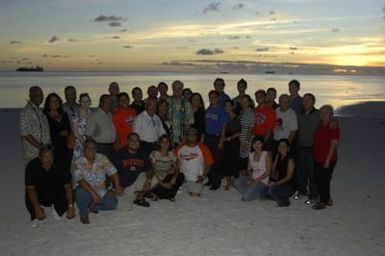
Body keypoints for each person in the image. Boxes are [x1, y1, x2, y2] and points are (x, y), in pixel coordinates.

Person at [72, 139, 122, 224]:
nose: (91, 150)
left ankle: (92, 206)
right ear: (84, 149)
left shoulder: (102, 158)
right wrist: (94, 194)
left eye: (93, 148)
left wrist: (117, 188)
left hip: (101, 190)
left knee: (113, 203)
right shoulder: (78, 162)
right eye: (88, 148)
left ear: (96, 149)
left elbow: (113, 172)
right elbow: (81, 181)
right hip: (86, 190)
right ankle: (84, 212)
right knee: (79, 192)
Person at [25, 145, 75, 227]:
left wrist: (70, 206)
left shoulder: (60, 163)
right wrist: (36, 207)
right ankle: (35, 215)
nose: (48, 159)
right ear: (40, 157)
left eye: (50, 156)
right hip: (40, 193)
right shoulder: (32, 165)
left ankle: (57, 209)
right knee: (28, 194)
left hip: (56, 192)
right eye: (45, 156)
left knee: (71, 194)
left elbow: (67, 185)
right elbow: (30, 188)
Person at [111, 133, 152, 209]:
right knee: (124, 209)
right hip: (123, 185)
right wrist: (117, 186)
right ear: (127, 141)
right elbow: (112, 172)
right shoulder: (119, 153)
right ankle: (128, 195)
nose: (134, 143)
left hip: (135, 181)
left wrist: (148, 180)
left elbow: (149, 168)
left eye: (137, 140)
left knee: (154, 178)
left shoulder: (142, 153)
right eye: (132, 140)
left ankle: (139, 196)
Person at [312, 105, 340, 210]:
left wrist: (328, 159)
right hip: (318, 157)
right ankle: (327, 198)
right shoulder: (321, 125)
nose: (323, 115)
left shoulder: (332, 126)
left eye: (326, 113)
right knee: (319, 179)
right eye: (322, 113)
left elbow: (334, 144)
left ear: (331, 115)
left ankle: (323, 201)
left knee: (323, 180)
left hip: (328, 159)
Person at [175, 128, 214, 196]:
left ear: (197, 136)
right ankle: (181, 184)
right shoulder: (180, 147)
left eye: (194, 134)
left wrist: (203, 176)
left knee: (194, 194)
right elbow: (173, 162)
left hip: (197, 178)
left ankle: (192, 185)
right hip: (182, 178)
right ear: (186, 136)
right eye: (190, 134)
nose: (192, 136)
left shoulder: (203, 147)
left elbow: (209, 164)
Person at [296, 93, 320, 205]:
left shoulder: (318, 114)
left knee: (313, 174)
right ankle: (302, 192)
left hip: (312, 148)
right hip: (301, 147)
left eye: (308, 100)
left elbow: (330, 121)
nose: (306, 102)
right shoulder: (299, 115)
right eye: (304, 100)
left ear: (314, 102)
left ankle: (314, 195)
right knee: (302, 172)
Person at [146, 135, 184, 200]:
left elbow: (177, 168)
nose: (165, 144)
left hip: (165, 175)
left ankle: (157, 194)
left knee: (181, 176)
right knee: (159, 186)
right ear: (159, 143)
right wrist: (162, 183)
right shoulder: (154, 153)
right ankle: (166, 194)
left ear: (169, 143)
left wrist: (174, 177)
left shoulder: (171, 154)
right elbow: (151, 169)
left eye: (167, 142)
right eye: (163, 142)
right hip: (155, 176)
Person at [204, 90, 229, 190]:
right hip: (208, 137)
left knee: (217, 161)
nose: (212, 99)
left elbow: (224, 127)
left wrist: (221, 140)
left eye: (214, 97)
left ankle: (216, 182)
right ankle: (210, 179)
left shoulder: (221, 110)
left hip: (217, 137)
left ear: (218, 98)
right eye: (210, 97)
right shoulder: (209, 109)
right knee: (209, 160)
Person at [234, 136, 272, 201]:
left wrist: (255, 181)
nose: (256, 146)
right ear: (252, 145)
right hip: (253, 178)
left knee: (245, 198)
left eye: (259, 143)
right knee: (237, 181)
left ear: (262, 144)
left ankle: (257, 193)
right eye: (255, 144)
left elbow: (268, 172)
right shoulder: (251, 155)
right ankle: (250, 191)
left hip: (262, 181)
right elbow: (249, 169)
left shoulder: (266, 155)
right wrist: (250, 178)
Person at [20, 86, 51, 165]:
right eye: (36, 95)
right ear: (30, 96)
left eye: (41, 95)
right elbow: (26, 134)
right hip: (33, 153)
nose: (40, 97)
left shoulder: (39, 111)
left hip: (44, 152)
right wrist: (40, 147)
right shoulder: (26, 112)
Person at [43, 93, 71, 167]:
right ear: (48, 103)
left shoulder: (64, 115)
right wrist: (59, 133)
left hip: (65, 147)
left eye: (56, 101)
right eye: (52, 101)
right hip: (51, 147)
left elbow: (69, 129)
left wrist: (67, 133)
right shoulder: (44, 116)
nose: (55, 103)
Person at [85, 94, 116, 159]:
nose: (108, 105)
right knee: (100, 167)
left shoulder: (109, 115)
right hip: (100, 147)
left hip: (111, 147)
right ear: (101, 103)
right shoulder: (94, 116)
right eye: (106, 103)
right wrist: (91, 150)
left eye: (110, 103)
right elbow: (88, 135)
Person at [220, 100, 241, 190]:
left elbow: (238, 133)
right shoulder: (224, 117)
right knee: (226, 162)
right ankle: (228, 182)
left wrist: (228, 139)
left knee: (233, 162)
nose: (227, 108)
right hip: (226, 142)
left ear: (233, 107)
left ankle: (232, 182)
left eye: (229, 106)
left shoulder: (237, 118)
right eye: (225, 106)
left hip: (234, 142)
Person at [267, 139, 295, 207]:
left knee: (271, 191)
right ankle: (279, 195)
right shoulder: (278, 156)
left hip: (288, 186)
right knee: (263, 190)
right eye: (280, 146)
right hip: (278, 184)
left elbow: (288, 178)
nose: (281, 148)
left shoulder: (290, 159)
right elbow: (273, 172)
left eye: (284, 146)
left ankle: (285, 202)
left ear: (288, 148)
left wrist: (275, 183)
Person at [168, 80, 194, 146]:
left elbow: (190, 122)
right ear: (172, 89)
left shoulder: (187, 103)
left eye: (179, 88)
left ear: (182, 89)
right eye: (175, 88)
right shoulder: (168, 102)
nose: (177, 91)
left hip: (182, 138)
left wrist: (186, 137)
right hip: (169, 137)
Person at [71, 93, 92, 161]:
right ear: (79, 102)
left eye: (87, 101)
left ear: (90, 102)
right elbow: (76, 133)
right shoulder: (76, 114)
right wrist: (85, 144)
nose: (85, 103)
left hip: (91, 142)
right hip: (80, 143)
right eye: (83, 101)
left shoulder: (92, 113)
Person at [239, 95, 255, 176]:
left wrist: (246, 142)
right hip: (241, 139)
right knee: (242, 161)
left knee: (247, 161)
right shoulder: (242, 112)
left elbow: (251, 129)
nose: (244, 103)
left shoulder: (250, 113)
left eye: (246, 101)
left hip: (247, 140)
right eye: (242, 101)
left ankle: (247, 181)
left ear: (249, 103)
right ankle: (243, 180)